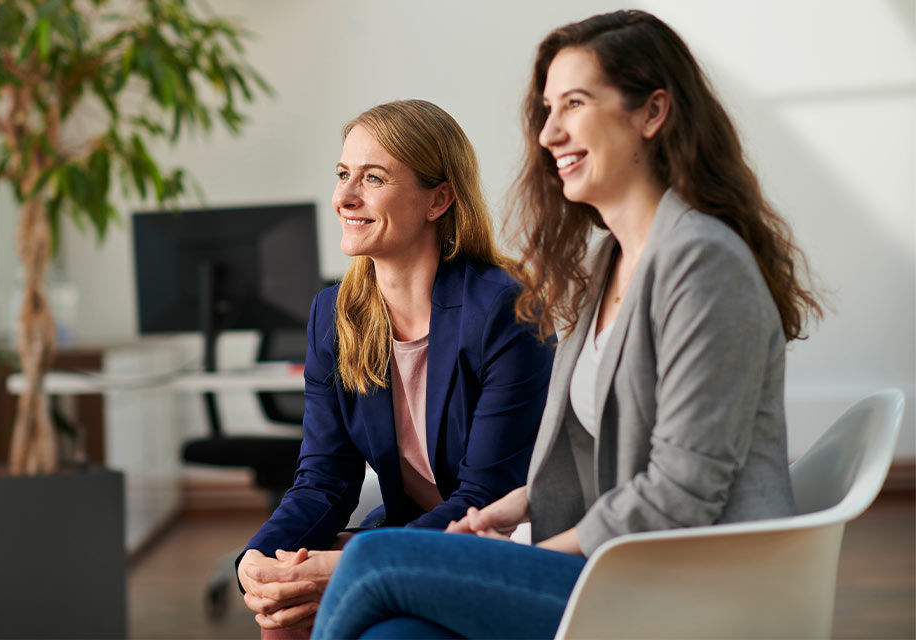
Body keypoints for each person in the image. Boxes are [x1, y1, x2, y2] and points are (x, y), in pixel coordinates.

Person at [310, 10, 823, 640]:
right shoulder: (609, 260)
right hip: (621, 567)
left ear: (652, 113)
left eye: (573, 104)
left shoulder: (703, 263)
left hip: (692, 586)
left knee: (372, 560)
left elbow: (681, 494)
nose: (549, 131)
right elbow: (584, 459)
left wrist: (521, 556)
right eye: (547, 109)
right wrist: (505, 515)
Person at [236, 99, 555, 634]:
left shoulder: (504, 310)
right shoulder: (332, 315)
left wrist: (353, 562)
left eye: (373, 178)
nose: (344, 197)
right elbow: (325, 480)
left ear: (438, 200)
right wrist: (258, 557)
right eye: (342, 175)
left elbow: (484, 497)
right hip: (415, 533)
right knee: (280, 598)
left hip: (510, 543)